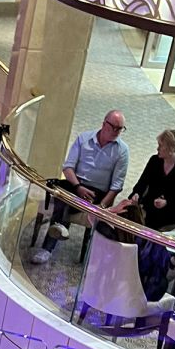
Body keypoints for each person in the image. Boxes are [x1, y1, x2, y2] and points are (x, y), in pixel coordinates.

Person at [33, 110, 129, 262]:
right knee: (62, 195)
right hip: (75, 185)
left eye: (120, 128)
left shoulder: (122, 150)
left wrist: (101, 207)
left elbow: (117, 185)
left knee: (63, 203)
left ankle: (50, 244)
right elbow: (68, 167)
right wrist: (78, 186)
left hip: (97, 192)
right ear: (104, 124)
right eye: (114, 127)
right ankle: (49, 246)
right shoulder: (84, 139)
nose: (117, 132)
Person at [105, 128, 175, 231]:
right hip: (153, 202)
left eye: (161, 146)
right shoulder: (154, 161)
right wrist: (137, 193)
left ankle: (144, 242)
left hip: (174, 207)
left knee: (152, 219)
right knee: (127, 209)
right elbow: (142, 182)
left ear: (171, 149)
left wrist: (166, 202)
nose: (157, 148)